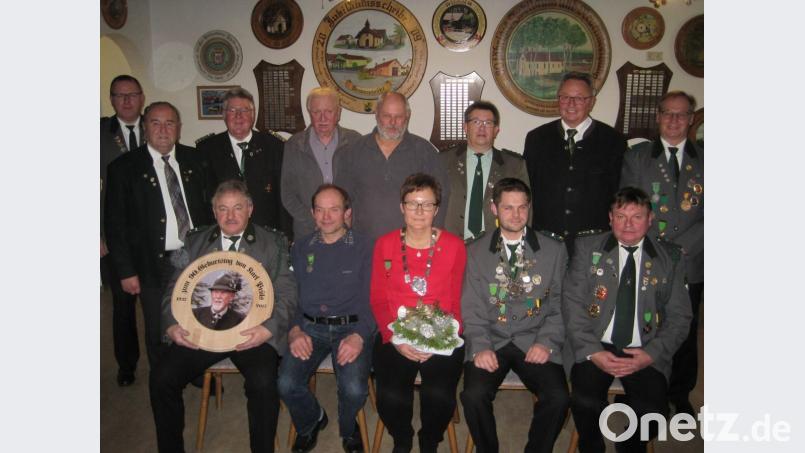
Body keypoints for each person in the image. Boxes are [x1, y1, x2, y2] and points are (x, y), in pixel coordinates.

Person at [150, 180, 296, 453]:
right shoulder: (194, 241)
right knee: (161, 378)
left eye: (237, 208)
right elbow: (173, 288)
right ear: (214, 212)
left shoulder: (273, 242)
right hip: (202, 332)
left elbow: (287, 293)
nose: (230, 216)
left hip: (252, 332)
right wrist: (171, 325)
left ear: (250, 209)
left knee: (264, 383)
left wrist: (268, 329)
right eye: (223, 209)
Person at [563, 187, 692, 453]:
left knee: (653, 412)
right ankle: (592, 447)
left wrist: (651, 354)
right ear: (610, 218)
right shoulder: (588, 248)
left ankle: (627, 445)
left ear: (650, 218)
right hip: (595, 344)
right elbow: (572, 303)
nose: (629, 224)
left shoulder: (670, 257)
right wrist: (593, 352)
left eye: (637, 216)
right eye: (621, 216)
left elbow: (681, 316)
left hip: (645, 347)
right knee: (585, 402)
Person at [460, 178, 569, 453]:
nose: (517, 215)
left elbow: (559, 304)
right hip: (492, 338)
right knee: (473, 395)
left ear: (529, 207)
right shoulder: (474, 251)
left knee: (558, 397)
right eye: (508, 208)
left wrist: (546, 341)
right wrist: (480, 346)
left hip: (534, 338)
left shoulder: (554, 250)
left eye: (522, 207)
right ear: (494, 209)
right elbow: (471, 306)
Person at [105, 101, 214, 369]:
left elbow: (212, 209)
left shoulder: (196, 159)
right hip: (151, 263)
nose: (163, 129)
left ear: (179, 128)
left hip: (195, 257)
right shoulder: (123, 168)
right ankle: (163, 380)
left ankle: (198, 372)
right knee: (158, 327)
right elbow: (115, 225)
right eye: (156, 122)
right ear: (144, 128)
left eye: (170, 123)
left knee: (200, 315)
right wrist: (126, 271)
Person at [620, 91, 703, 416]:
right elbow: (628, 205)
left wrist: (681, 249)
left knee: (684, 326)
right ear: (657, 116)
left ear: (691, 118)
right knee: (646, 324)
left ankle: (680, 394)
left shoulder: (708, 157)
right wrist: (655, 246)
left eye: (681, 115)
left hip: (691, 259)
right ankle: (641, 385)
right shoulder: (638, 157)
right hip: (647, 257)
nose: (673, 120)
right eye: (667, 113)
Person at [370, 173, 466, 453]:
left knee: (439, 395)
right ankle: (402, 437)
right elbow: (377, 298)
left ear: (437, 208)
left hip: (443, 330)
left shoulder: (454, 246)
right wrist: (395, 338)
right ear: (401, 206)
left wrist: (443, 339)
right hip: (396, 329)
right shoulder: (385, 244)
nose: (420, 211)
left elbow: (458, 299)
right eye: (413, 203)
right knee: (389, 396)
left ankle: (429, 440)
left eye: (427, 204)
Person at [278, 184, 375, 453]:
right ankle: (312, 421)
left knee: (355, 389)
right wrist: (294, 330)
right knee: (285, 383)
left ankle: (348, 428)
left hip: (352, 326)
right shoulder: (300, 247)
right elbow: (292, 297)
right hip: (310, 326)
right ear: (312, 213)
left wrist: (359, 336)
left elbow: (377, 300)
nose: (326, 216)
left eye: (334, 209)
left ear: (347, 213)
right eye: (320, 210)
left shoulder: (366, 247)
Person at [523, 72, 627, 256]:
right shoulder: (536, 139)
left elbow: (619, 194)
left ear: (592, 101)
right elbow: (527, 190)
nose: (571, 104)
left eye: (579, 98)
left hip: (593, 244)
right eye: (565, 97)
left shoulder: (613, 141)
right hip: (545, 242)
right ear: (558, 99)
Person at [335, 92, 450, 242]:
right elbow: (340, 199)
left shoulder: (424, 151)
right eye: (387, 116)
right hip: (365, 245)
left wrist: (433, 234)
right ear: (377, 115)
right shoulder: (354, 151)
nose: (392, 122)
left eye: (399, 116)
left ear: (407, 116)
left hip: (412, 244)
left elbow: (442, 195)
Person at [196, 87, 292, 239]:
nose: (238, 116)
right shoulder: (207, 149)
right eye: (232, 110)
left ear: (253, 115)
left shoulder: (274, 146)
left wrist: (285, 236)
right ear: (224, 115)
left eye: (245, 110)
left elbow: (283, 196)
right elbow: (204, 199)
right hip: (223, 235)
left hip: (266, 234)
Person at [101, 74, 146, 386]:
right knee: (123, 305)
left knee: (165, 301)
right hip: (113, 235)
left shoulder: (157, 127)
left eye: (132, 95)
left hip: (152, 234)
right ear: (111, 100)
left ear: (141, 97)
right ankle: (126, 365)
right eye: (120, 95)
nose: (127, 101)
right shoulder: (98, 135)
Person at [441, 101, 530, 241]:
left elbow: (526, 210)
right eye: (476, 122)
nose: (482, 128)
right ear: (465, 127)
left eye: (488, 123)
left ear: (496, 130)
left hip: (495, 247)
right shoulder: (444, 161)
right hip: (450, 244)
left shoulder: (514, 165)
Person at [281, 87, 362, 239]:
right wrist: (312, 220)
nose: (322, 118)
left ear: (338, 114)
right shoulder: (294, 145)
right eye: (316, 112)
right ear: (309, 114)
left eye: (328, 112)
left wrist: (347, 218)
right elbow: (287, 193)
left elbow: (363, 186)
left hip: (347, 230)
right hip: (307, 231)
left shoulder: (355, 142)